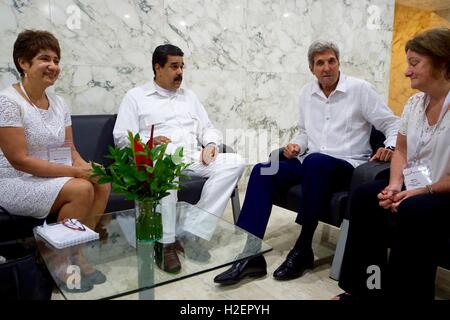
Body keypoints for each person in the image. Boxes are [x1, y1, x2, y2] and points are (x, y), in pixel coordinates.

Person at [214, 40, 400, 285]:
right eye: (320, 63)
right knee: (263, 171)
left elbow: (393, 123)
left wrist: (390, 147)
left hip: (347, 166)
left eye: (331, 61)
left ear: (339, 62)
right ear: (312, 68)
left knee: (316, 162)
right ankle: (251, 255)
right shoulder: (306, 93)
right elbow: (304, 132)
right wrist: (297, 145)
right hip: (311, 164)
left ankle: (303, 247)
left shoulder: (360, 90)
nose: (326, 67)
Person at [334, 27, 450, 300]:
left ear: (442, 62)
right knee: (365, 196)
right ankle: (366, 289)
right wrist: (395, 184)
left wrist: (420, 191)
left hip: (443, 192)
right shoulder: (414, 104)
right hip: (414, 185)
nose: (407, 71)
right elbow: (401, 149)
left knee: (413, 209)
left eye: (414, 63)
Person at [113, 44, 245, 273]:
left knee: (235, 162)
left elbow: (208, 128)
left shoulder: (189, 97)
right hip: (158, 160)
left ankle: (191, 233)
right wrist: (146, 144)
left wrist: (211, 145)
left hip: (193, 157)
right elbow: (121, 138)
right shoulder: (136, 97)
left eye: (182, 66)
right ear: (158, 67)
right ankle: (165, 244)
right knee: (166, 167)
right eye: (174, 66)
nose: (180, 72)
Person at [0, 30, 111, 292]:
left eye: (56, 60)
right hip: (15, 180)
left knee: (101, 182)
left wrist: (87, 168)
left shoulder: (59, 103)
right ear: (23, 63)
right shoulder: (7, 101)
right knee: (80, 187)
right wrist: (76, 174)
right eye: (44, 59)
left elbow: (70, 149)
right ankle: (57, 262)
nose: (53, 66)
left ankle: (78, 254)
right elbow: (20, 161)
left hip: (53, 174)